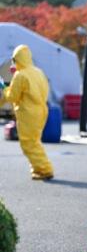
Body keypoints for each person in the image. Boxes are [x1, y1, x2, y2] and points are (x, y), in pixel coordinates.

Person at [0, 45, 53, 180]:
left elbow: (12, 97)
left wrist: (5, 89)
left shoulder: (20, 75)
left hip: (28, 113)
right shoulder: (38, 72)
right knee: (35, 141)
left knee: (29, 143)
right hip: (41, 110)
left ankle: (45, 169)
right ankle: (38, 169)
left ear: (17, 59)